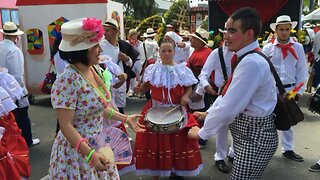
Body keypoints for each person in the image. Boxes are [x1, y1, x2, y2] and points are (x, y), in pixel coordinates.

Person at [49, 17, 145, 179]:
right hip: (78, 152)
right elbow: (66, 126)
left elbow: (99, 107)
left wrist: (125, 118)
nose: (100, 49)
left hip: (99, 144)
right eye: (95, 46)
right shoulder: (67, 79)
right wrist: (90, 155)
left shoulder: (94, 70)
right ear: (82, 51)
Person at [188, 7, 278, 179]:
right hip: (249, 135)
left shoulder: (251, 62)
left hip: (254, 139)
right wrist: (208, 113)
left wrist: (201, 133)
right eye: (226, 30)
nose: (226, 36)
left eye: (232, 30)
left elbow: (228, 108)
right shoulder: (247, 58)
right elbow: (227, 99)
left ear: (249, 34)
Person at [134, 41, 203, 180]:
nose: (166, 54)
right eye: (163, 51)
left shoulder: (182, 69)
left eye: (169, 51)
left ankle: (176, 170)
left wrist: (185, 96)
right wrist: (139, 88)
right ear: (159, 51)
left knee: (177, 143)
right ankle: (157, 171)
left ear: (174, 52)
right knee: (156, 144)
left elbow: (189, 87)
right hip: (155, 109)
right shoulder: (152, 69)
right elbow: (146, 87)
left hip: (177, 110)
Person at [262, 15, 308, 162]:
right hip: (271, 89)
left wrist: (299, 91)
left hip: (290, 90)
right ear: (276, 30)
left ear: (291, 30)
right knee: (266, 119)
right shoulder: (268, 47)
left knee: (288, 119)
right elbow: (262, 70)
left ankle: (288, 149)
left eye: (287, 29)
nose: (284, 32)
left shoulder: (298, 47)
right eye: (281, 29)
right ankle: (264, 148)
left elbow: (301, 71)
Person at [193, 27, 235, 173]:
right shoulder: (216, 53)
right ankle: (220, 157)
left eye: (232, 34)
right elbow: (203, 74)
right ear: (223, 36)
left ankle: (233, 153)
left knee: (238, 127)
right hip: (221, 94)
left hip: (238, 94)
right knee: (221, 127)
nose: (229, 37)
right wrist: (205, 86)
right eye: (227, 34)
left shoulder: (242, 53)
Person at [0, 21, 40, 147]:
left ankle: (12, 143)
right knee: (22, 116)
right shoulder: (14, 50)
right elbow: (17, 75)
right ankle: (27, 141)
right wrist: (23, 92)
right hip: (13, 90)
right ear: (15, 36)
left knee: (7, 119)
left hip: (2, 91)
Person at [100, 18, 139, 114]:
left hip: (120, 83)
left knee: (120, 109)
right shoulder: (100, 45)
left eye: (107, 30)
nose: (104, 33)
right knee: (108, 110)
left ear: (115, 31)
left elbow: (130, 63)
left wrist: (126, 59)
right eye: (104, 30)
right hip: (105, 83)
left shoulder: (122, 45)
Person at [127, 29, 143, 97]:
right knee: (131, 76)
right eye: (133, 35)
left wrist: (136, 46)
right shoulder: (127, 43)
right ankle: (131, 90)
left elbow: (141, 53)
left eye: (135, 34)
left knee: (140, 76)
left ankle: (141, 91)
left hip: (138, 60)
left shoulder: (140, 43)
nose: (134, 36)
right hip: (131, 61)